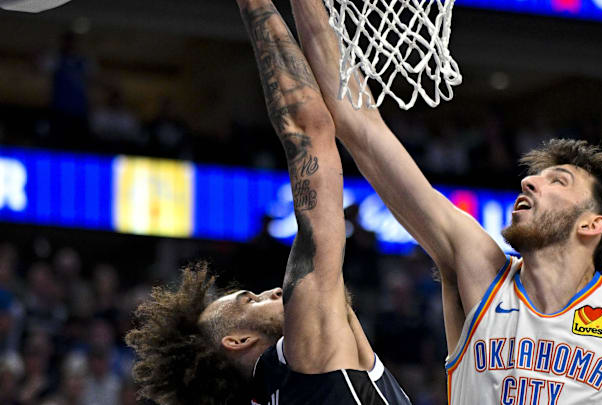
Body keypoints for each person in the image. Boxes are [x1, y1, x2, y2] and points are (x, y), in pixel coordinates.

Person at [287, 0, 602, 403]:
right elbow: (360, 127)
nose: (530, 182)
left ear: (592, 224)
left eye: (558, 181)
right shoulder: (480, 272)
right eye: (535, 176)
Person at [124, 0, 412, 404]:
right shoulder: (306, 359)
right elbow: (307, 131)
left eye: (253, 294)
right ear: (238, 340)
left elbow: (330, 126)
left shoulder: (289, 382)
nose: (272, 292)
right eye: (251, 300)